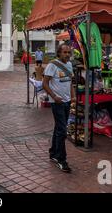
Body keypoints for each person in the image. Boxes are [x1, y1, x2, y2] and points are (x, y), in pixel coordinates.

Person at [43, 44, 75, 173]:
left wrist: (73, 96)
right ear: (59, 53)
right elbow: (44, 83)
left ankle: (53, 153)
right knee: (62, 131)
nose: (67, 54)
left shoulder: (70, 65)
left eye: (69, 52)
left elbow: (70, 82)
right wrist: (54, 96)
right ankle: (62, 160)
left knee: (59, 128)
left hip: (67, 101)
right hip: (57, 102)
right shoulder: (52, 65)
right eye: (65, 52)